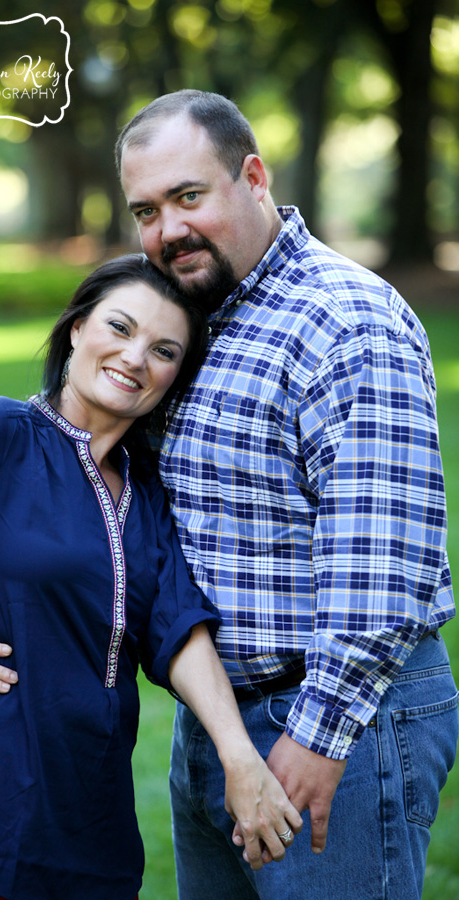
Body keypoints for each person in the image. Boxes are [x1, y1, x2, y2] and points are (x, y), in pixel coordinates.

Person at [0, 254, 302, 900]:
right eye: (118, 328)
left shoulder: (147, 490)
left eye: (163, 349)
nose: (134, 357)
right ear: (75, 329)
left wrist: (240, 758)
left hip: (90, 812)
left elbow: (179, 628)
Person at [110, 91, 458, 900]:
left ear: (254, 176)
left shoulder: (345, 320)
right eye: (146, 210)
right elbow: (151, 494)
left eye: (188, 196)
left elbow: (383, 563)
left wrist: (317, 739)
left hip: (341, 717)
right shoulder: (192, 320)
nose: (168, 231)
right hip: (220, 720)